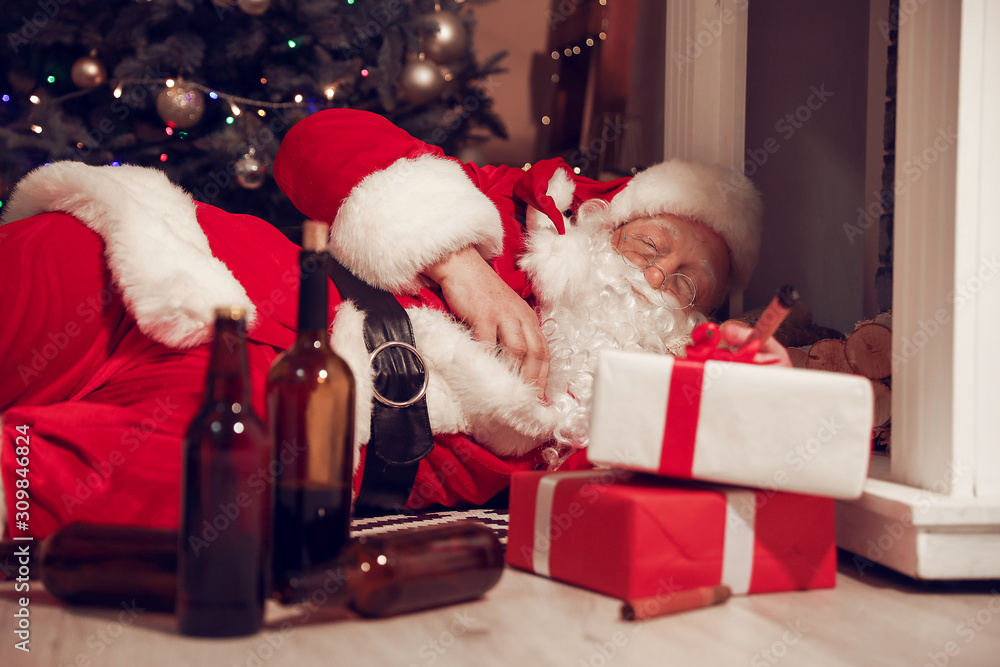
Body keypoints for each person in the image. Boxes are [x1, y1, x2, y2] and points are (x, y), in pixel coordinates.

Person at [0, 109, 785, 539]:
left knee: (47, 484)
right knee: (43, 279)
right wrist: (459, 260)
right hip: (196, 277)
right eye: (652, 246)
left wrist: (753, 373)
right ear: (602, 221)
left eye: (685, 285)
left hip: (295, 438)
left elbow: (699, 453)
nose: (653, 278)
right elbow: (314, 141)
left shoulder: (613, 408)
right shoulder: (512, 211)